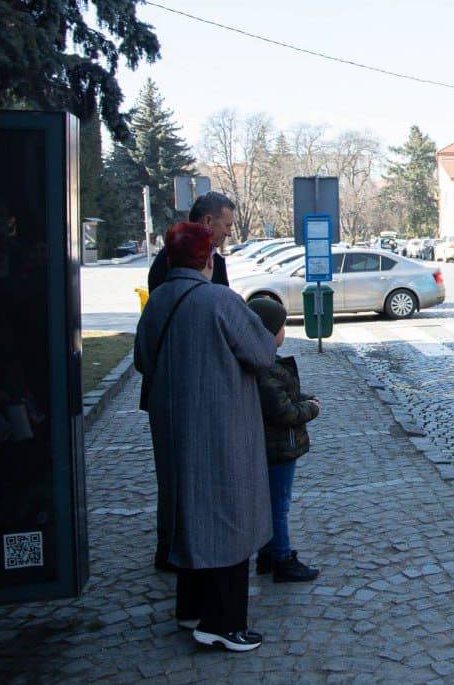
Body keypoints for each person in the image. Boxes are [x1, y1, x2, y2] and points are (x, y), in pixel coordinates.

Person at [135, 222, 277, 652]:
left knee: (188, 513)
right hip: (221, 427)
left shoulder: (158, 301)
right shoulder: (219, 300)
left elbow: (143, 360)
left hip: (173, 427)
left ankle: (189, 609)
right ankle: (223, 623)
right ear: (208, 259)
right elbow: (261, 353)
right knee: (229, 515)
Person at [146, 191, 236, 572]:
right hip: (180, 387)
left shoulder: (215, 262)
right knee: (177, 474)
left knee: (194, 473)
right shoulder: (170, 265)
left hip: (199, 386)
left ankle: (193, 543)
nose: (229, 233)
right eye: (226, 225)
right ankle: (173, 548)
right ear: (207, 223)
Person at [246, 298, 322, 583]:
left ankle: (268, 553)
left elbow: (283, 397)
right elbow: (283, 411)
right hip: (278, 447)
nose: (285, 331)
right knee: (279, 505)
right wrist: (311, 409)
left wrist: (302, 397)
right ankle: (281, 558)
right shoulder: (266, 367)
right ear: (269, 332)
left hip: (271, 446)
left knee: (272, 503)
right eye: (282, 326)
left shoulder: (263, 361)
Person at [147, 192, 237, 292]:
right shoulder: (169, 259)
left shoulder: (217, 260)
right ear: (208, 221)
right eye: (227, 225)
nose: (229, 233)